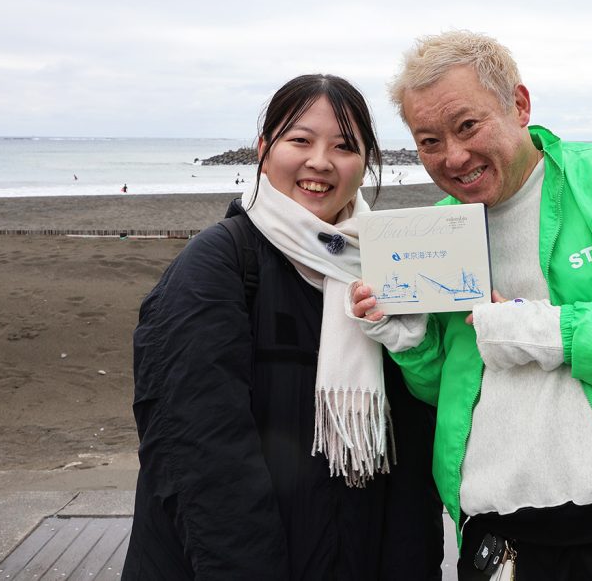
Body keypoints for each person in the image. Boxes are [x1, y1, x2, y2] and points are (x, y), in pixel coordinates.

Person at [352, 32, 592, 580]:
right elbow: (448, 389)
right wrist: (409, 341)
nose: (453, 156)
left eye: (468, 126)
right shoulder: (436, 231)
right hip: (496, 540)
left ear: (519, 105)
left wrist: (541, 329)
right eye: (429, 140)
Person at [124, 74, 443, 579]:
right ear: (263, 149)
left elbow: (409, 464)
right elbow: (198, 453)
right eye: (300, 140)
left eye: (344, 146)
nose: (321, 161)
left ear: (365, 163)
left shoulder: (388, 270)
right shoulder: (218, 264)